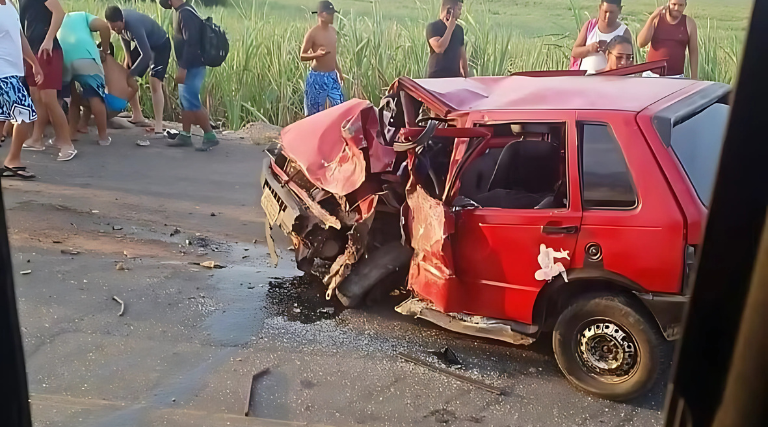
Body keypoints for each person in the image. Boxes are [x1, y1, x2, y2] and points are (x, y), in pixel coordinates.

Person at [18, 0, 76, 161]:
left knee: (49, 99)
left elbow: (59, 12)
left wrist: (49, 39)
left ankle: (67, 144)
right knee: (36, 97)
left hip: (47, 50)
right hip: (32, 52)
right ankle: (36, 139)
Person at [159, 0, 218, 151]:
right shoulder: (182, 11)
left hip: (192, 66)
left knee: (192, 101)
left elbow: (192, 43)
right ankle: (185, 135)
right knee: (185, 102)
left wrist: (183, 68)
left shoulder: (185, 13)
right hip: (189, 65)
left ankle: (210, 136)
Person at [105, 5, 170, 134]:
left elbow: (146, 55)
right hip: (146, 45)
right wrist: (127, 55)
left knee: (154, 82)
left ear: (123, 20)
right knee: (125, 72)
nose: (115, 31)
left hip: (160, 45)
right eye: (112, 28)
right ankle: (137, 115)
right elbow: (122, 35)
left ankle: (158, 125)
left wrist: (132, 73)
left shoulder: (134, 26)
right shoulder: (119, 24)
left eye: (117, 27)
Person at [1, 0, 43, 178]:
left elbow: (20, 37)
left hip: (13, 72)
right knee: (25, 113)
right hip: (3, 74)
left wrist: (34, 63)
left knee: (2, 118)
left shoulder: (10, 5)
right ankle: (13, 160)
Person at [57, 11, 111, 145]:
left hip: (62, 58)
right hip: (85, 57)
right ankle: (103, 137)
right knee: (95, 97)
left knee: (70, 98)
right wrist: (105, 49)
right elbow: (104, 26)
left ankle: (68, 134)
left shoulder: (58, 19)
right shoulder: (83, 16)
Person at [70, 42, 138, 136]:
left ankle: (72, 131)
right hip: (121, 105)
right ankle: (82, 125)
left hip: (109, 104)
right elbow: (135, 87)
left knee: (79, 98)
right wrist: (124, 101)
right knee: (90, 94)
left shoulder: (102, 60)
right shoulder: (120, 68)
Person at [300, 1, 344, 117]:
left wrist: (339, 72)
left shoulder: (333, 31)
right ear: (321, 15)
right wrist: (316, 54)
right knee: (314, 114)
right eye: (330, 14)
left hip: (332, 76)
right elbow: (302, 56)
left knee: (340, 108)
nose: (332, 16)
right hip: (317, 77)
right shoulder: (312, 33)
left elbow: (332, 55)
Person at [637, 0, 698, 79]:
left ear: (685, 6)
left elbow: (693, 52)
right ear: (668, 3)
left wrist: (694, 77)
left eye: (681, 5)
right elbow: (640, 43)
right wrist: (651, 18)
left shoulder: (689, 23)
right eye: (674, 4)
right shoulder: (657, 19)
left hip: (676, 77)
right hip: (652, 75)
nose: (677, 8)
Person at [571, 0, 632, 75]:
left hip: (610, 79)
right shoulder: (590, 26)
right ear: (600, 8)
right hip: (585, 78)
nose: (608, 16)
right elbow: (574, 52)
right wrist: (590, 48)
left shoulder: (623, 32)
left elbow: (628, 61)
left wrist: (609, 52)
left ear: (619, 10)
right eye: (605, 11)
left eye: (611, 12)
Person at [426, 0, 467, 79]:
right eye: (459, 9)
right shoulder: (433, 27)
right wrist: (450, 28)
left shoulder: (459, 30)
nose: (460, 13)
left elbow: (462, 55)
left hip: (454, 77)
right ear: (450, 10)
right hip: (436, 77)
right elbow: (440, 48)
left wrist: (466, 76)